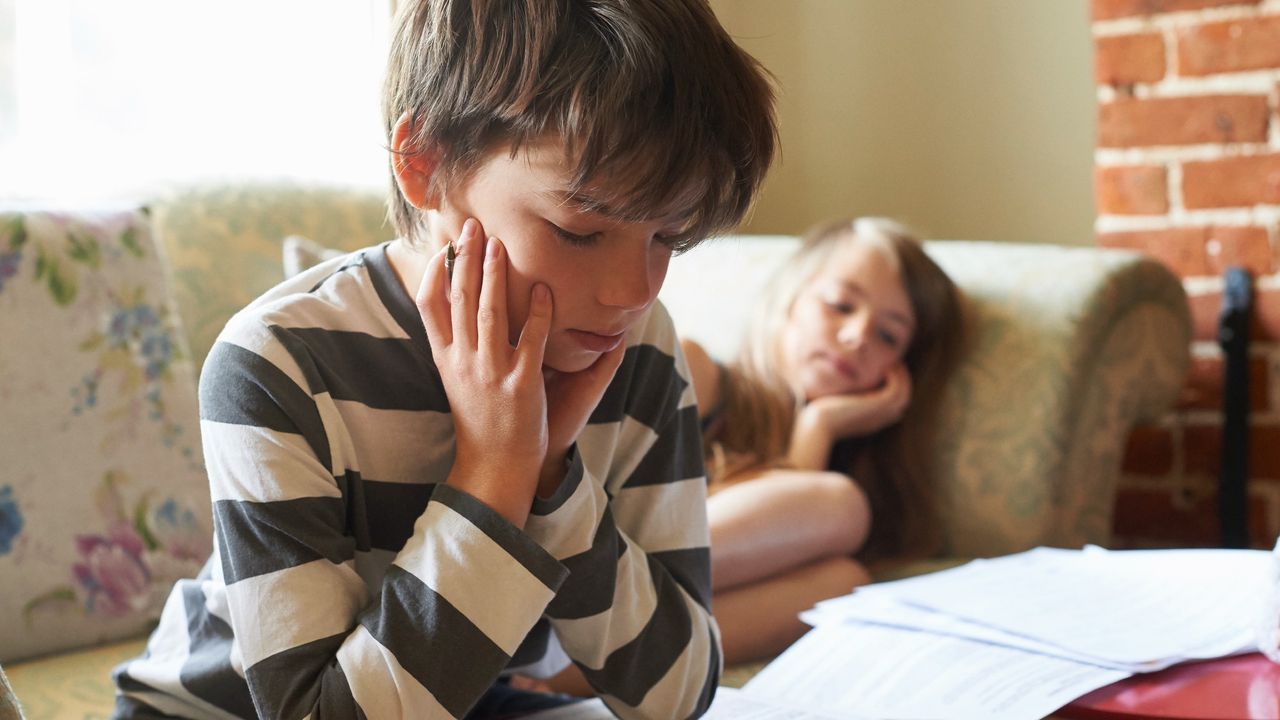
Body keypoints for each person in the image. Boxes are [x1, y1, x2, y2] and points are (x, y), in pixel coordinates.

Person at [110, 0, 776, 717]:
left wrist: (553, 479)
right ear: (425, 164)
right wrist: (496, 472)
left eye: (667, 240)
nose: (631, 293)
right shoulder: (279, 364)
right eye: (579, 232)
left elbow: (677, 694)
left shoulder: (639, 349)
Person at [686, 217, 964, 664]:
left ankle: (552, 681)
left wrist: (819, 426)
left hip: (593, 643)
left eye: (888, 336)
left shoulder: (832, 453)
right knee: (839, 505)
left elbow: (791, 524)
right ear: (790, 297)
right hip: (575, 583)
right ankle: (603, 594)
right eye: (840, 305)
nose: (857, 337)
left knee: (842, 582)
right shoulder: (693, 373)